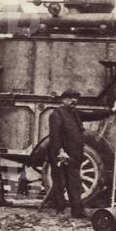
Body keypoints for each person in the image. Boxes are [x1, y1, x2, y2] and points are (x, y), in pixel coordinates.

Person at [46, 88, 87, 218]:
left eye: (75, 98)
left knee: (74, 183)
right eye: (70, 98)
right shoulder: (57, 114)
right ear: (63, 100)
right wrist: (60, 151)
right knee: (59, 182)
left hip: (74, 156)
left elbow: (93, 114)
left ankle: (77, 211)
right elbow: (55, 136)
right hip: (61, 155)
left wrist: (112, 110)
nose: (74, 101)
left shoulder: (75, 114)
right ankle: (60, 210)